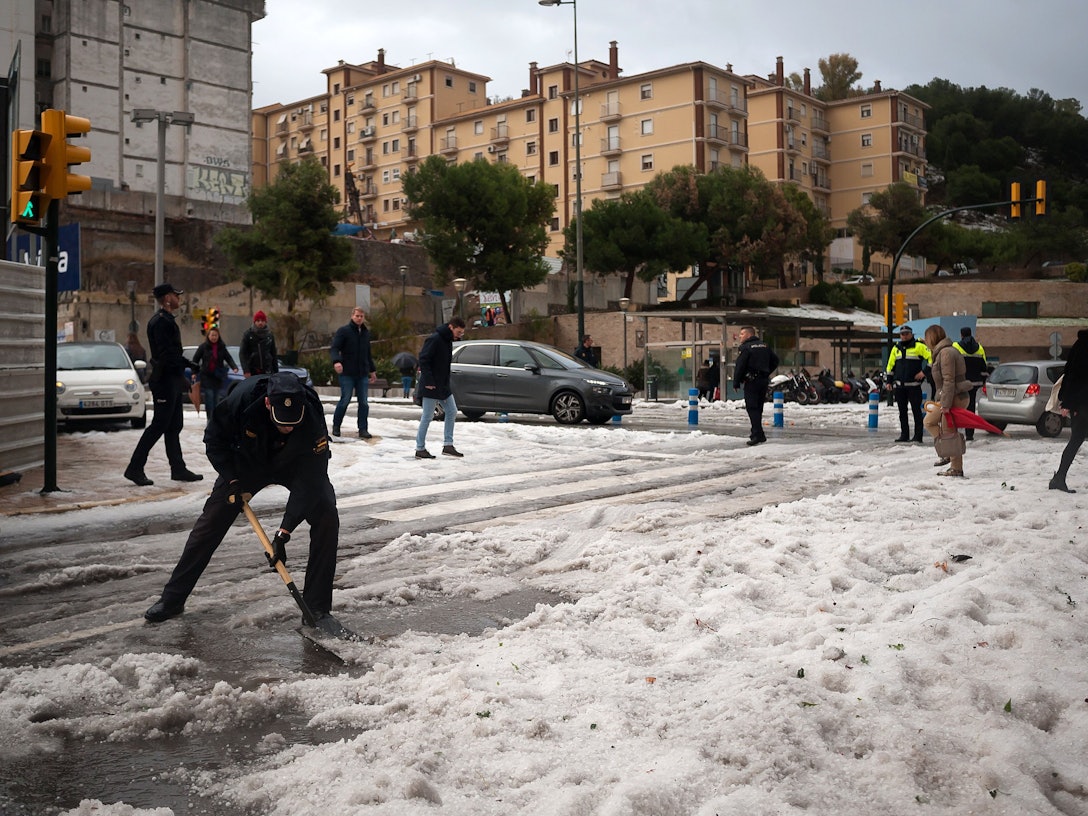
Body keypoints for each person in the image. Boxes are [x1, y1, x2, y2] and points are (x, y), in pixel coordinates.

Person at [143, 372, 342, 633]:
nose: (289, 427)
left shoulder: (312, 413)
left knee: (327, 514)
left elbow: (313, 477)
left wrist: (283, 533)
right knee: (210, 523)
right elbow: (214, 441)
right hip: (247, 465)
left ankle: (317, 609)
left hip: (295, 464)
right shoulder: (239, 401)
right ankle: (172, 599)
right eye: (283, 421)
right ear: (269, 404)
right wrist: (232, 478)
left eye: (294, 422)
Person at [124, 283, 202, 486]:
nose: (179, 298)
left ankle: (178, 469)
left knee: (174, 426)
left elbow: (173, 354)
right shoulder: (160, 322)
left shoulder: (167, 320)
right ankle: (134, 468)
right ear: (167, 298)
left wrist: (186, 369)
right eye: (176, 295)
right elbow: (167, 355)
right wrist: (184, 367)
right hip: (164, 380)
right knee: (158, 425)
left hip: (172, 379)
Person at [922, 324, 971, 477]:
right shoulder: (942, 352)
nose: (925, 341)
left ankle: (956, 468)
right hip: (949, 396)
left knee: (950, 432)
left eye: (926, 337)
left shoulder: (946, 353)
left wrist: (945, 405)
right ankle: (947, 452)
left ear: (932, 337)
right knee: (930, 422)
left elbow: (948, 380)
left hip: (953, 397)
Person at [415, 317, 466, 459]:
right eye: (459, 332)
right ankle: (420, 448)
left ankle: (448, 445)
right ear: (451, 327)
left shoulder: (448, 340)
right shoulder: (435, 339)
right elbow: (423, 359)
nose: (460, 335)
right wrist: (429, 380)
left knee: (452, 411)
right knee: (427, 416)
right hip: (430, 384)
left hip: (443, 385)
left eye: (462, 333)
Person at [329, 306, 377, 437]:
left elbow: (368, 353)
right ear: (352, 316)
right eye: (357, 316)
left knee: (364, 402)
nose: (359, 318)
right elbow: (334, 348)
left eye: (361, 316)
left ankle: (363, 429)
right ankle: (336, 425)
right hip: (347, 373)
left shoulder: (366, 333)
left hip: (362, 373)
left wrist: (372, 370)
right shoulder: (344, 331)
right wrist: (336, 361)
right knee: (345, 399)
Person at [1050, 328, 1088, 493]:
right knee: (1076, 440)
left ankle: (1059, 478)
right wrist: (1068, 403)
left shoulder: (1079, 346)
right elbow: (1072, 375)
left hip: (1080, 402)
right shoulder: (1083, 347)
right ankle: (1059, 478)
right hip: (1082, 403)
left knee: (1076, 440)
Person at [885, 325, 933, 443]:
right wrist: (889, 381)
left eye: (907, 333)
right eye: (902, 334)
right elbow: (890, 366)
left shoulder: (919, 346)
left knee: (916, 411)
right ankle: (904, 435)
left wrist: (924, 372)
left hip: (914, 386)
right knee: (902, 412)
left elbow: (932, 358)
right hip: (900, 386)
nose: (904, 336)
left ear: (911, 334)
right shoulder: (896, 348)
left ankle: (918, 436)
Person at [732, 325, 779, 446]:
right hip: (763, 380)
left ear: (748, 335)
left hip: (751, 381)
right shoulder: (764, 346)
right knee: (758, 408)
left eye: (742, 334)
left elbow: (740, 366)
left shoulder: (746, 348)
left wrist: (736, 382)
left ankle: (757, 435)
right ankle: (759, 434)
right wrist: (766, 371)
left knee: (752, 408)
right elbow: (775, 360)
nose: (740, 336)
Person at [190, 326, 239, 421]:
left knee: (216, 400)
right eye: (212, 335)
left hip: (217, 376)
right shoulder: (203, 347)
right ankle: (210, 420)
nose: (214, 337)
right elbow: (195, 360)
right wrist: (194, 372)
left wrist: (234, 367)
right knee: (209, 399)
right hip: (207, 376)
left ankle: (215, 419)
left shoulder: (221, 347)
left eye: (216, 335)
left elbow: (228, 357)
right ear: (208, 336)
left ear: (218, 336)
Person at [952, 326, 989, 441]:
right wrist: (982, 381)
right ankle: (969, 434)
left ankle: (956, 432)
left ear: (961, 335)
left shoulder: (956, 346)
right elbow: (984, 367)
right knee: (971, 408)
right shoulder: (979, 348)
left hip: (961, 383)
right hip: (974, 383)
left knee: (957, 407)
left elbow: (951, 364)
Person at [239, 310, 279, 377]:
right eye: (258, 321)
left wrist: (276, 372)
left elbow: (273, 354)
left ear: (265, 322)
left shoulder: (270, 336)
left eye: (262, 321)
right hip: (253, 371)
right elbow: (242, 353)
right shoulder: (248, 335)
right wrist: (246, 370)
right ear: (255, 322)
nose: (260, 323)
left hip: (267, 370)